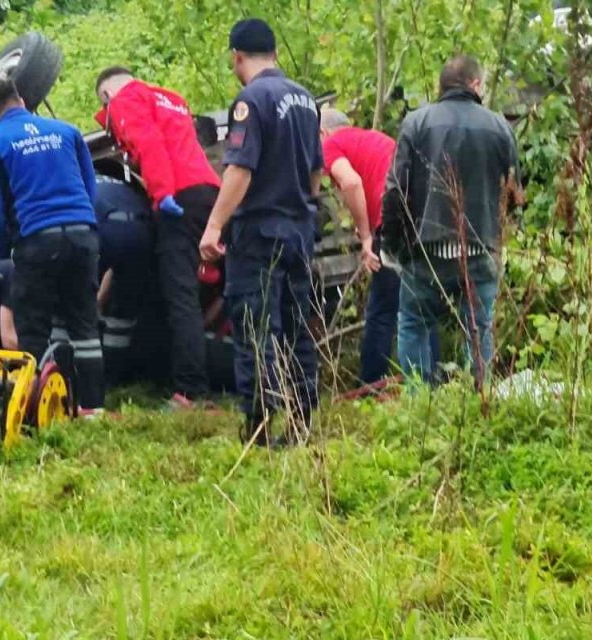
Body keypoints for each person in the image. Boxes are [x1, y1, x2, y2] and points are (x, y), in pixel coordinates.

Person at [198, 19, 323, 446]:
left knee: (254, 326)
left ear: (237, 56)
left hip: (259, 233)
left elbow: (240, 169)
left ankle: (259, 425)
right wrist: (301, 208)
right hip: (300, 231)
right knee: (296, 325)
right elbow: (316, 172)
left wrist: (214, 225)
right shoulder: (306, 99)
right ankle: (304, 420)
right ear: (274, 52)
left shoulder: (250, 100)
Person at [380, 55, 519, 386]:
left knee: (414, 323)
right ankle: (479, 398)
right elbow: (513, 194)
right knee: (479, 329)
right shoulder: (500, 126)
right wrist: (498, 237)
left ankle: (419, 399)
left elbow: (396, 190)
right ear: (475, 85)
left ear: (443, 86)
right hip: (479, 248)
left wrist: (394, 245)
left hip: (427, 251)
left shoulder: (417, 122)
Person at [0, 78, 106, 416]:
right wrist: (82, 227)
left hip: (36, 240)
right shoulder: (67, 131)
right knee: (85, 324)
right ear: (21, 99)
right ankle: (92, 409)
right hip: (82, 233)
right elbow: (90, 189)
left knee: (33, 328)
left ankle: (35, 409)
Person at [93, 66, 220, 409]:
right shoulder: (172, 99)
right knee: (195, 285)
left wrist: (161, 195)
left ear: (107, 95)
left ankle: (190, 392)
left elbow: (148, 144)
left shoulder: (126, 100)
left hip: (177, 194)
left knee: (180, 296)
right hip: (209, 192)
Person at [319, 107, 440, 386]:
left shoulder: (331, 145)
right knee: (422, 303)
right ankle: (433, 383)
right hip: (425, 218)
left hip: (395, 222)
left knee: (382, 309)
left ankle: (371, 386)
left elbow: (351, 182)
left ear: (322, 132)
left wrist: (365, 237)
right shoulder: (374, 138)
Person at [92, 175, 157, 387]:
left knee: (74, 301)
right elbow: (115, 264)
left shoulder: (77, 180)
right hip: (141, 230)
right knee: (123, 312)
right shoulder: (123, 185)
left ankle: (75, 377)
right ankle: (111, 380)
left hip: (102, 227)